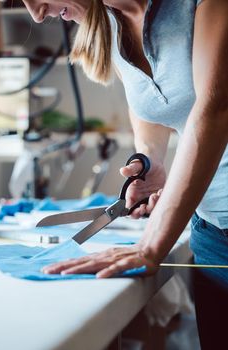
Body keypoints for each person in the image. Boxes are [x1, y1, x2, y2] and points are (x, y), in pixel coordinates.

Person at [22, 1, 228, 348]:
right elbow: (151, 110)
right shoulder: (111, 23)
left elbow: (214, 110)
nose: (36, 14)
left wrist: (150, 246)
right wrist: (150, 162)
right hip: (211, 234)